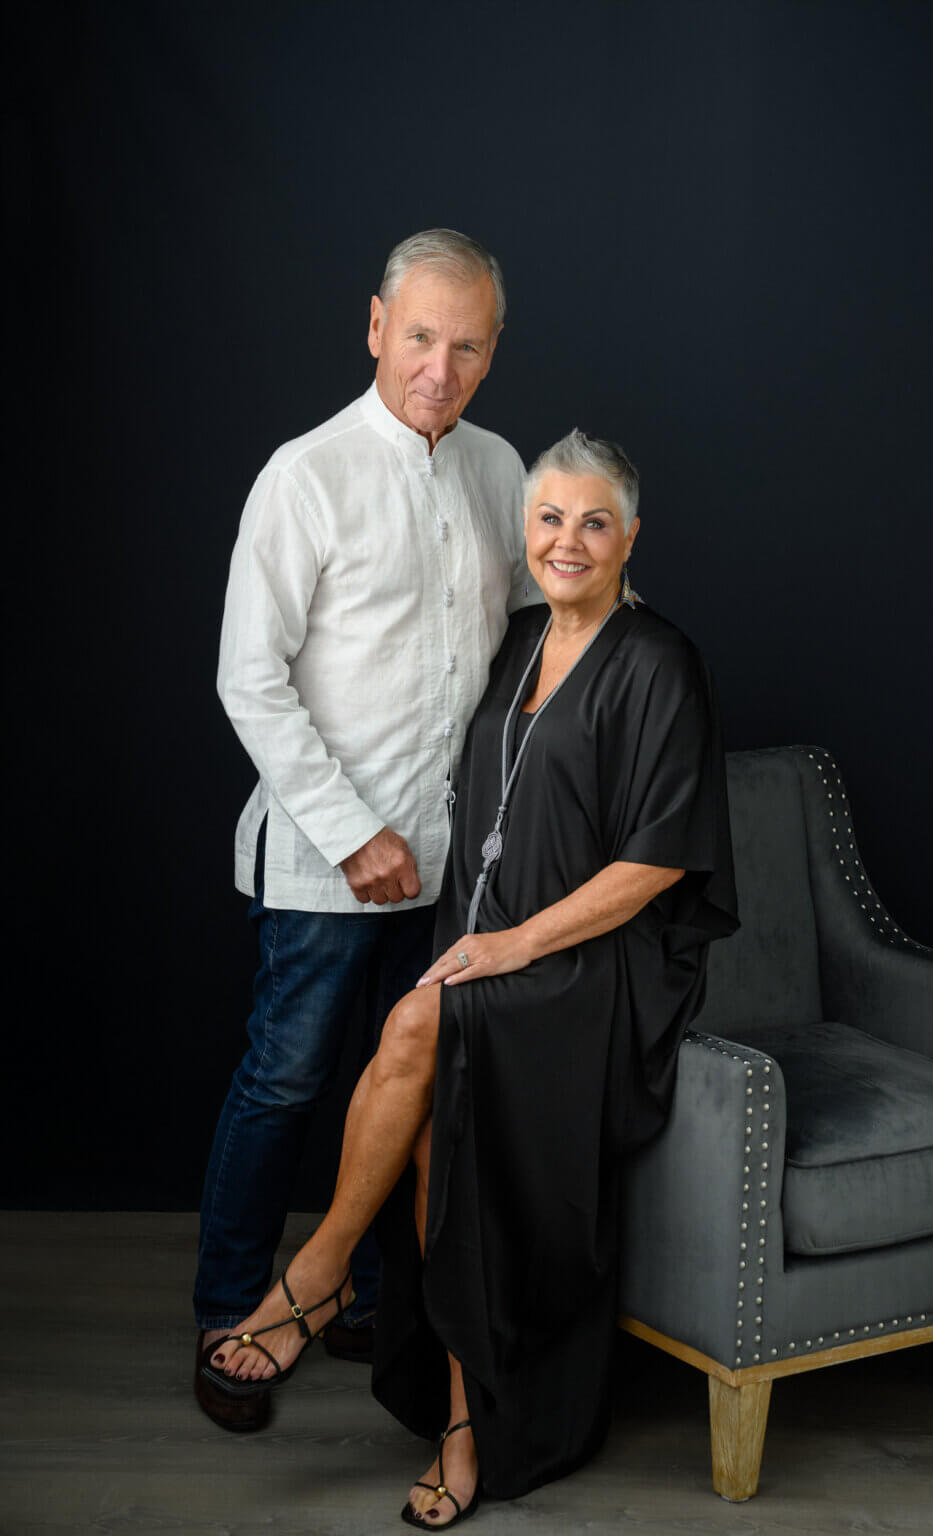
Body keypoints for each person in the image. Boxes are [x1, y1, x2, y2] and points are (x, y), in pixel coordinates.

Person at [203, 430, 738, 1521]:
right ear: (523, 534)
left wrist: (507, 945)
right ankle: (462, 1418)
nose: (568, 540)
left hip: (596, 972)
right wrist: (476, 938)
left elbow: (655, 863)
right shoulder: (517, 644)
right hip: (489, 952)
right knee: (441, 1104)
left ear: (630, 535)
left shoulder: (658, 662)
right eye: (548, 519)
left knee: (415, 1028)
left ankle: (315, 1278)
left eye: (595, 521)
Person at [194, 228, 540, 1434]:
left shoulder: (503, 470)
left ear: (492, 356)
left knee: (409, 1094)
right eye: (421, 337)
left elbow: (554, 619)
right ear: (376, 327)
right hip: (322, 857)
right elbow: (249, 678)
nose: (438, 367)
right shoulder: (307, 473)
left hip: (456, 873)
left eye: (467, 345)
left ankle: (371, 1305)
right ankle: (233, 1309)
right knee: (286, 1083)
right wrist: (351, 833)